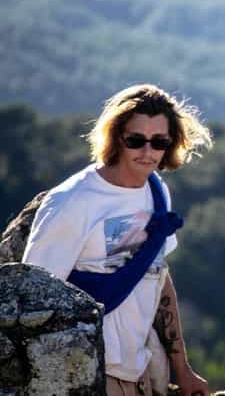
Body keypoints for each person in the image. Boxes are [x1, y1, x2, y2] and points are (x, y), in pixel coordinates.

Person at [22, 84, 213, 396]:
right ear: (116, 138)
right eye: (136, 140)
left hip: (145, 369)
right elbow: (33, 298)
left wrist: (182, 369)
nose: (148, 152)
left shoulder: (157, 192)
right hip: (93, 372)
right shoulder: (73, 202)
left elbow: (158, 279)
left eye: (159, 142)